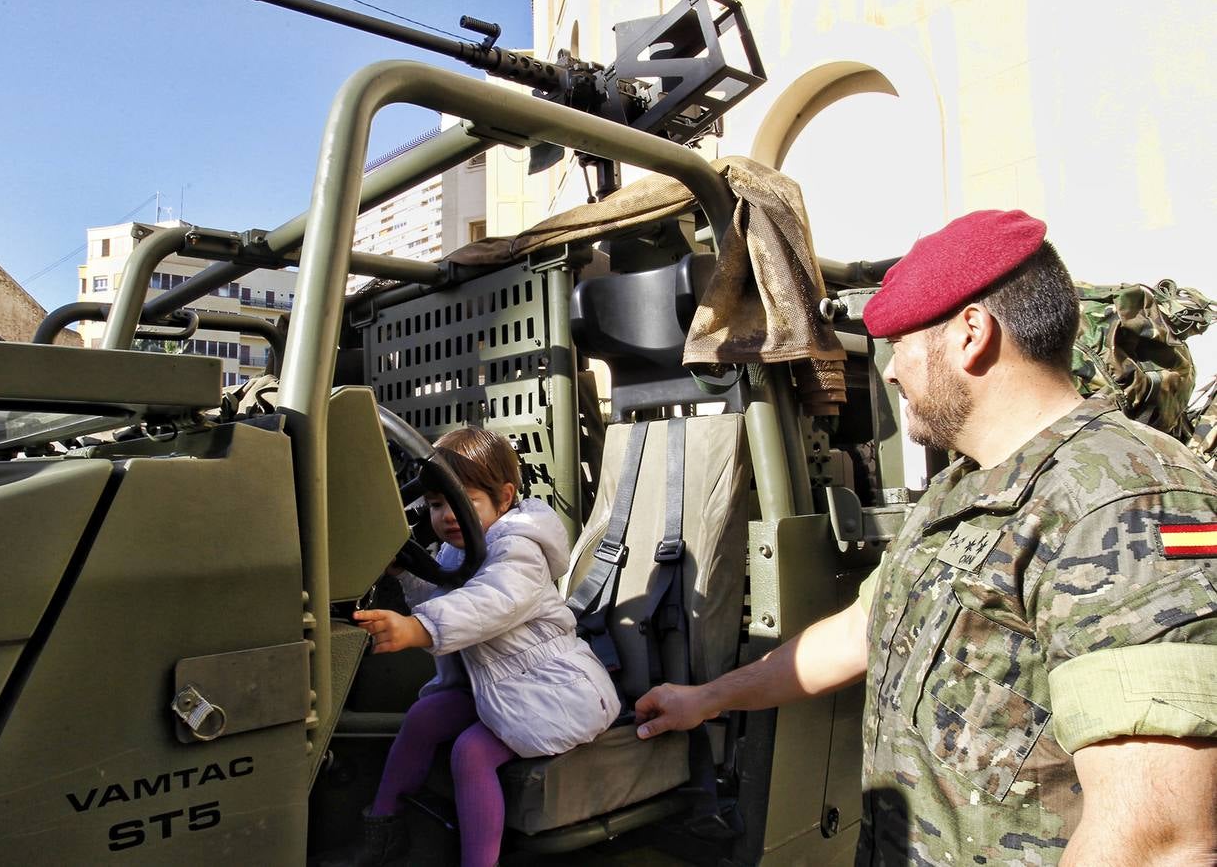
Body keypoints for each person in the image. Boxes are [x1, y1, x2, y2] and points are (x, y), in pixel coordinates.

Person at [634, 210, 1217, 865]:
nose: (888, 372)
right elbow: (862, 629)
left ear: (970, 334)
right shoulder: (962, 489)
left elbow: (1154, 840)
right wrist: (707, 699)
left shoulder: (1121, 499)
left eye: (902, 345)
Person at [351, 427, 621, 867]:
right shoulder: (458, 550)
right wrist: (406, 574)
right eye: (438, 505)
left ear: (504, 496)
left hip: (555, 692)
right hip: (498, 687)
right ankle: (384, 828)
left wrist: (418, 629)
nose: (447, 516)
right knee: (422, 717)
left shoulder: (519, 550)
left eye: (463, 502)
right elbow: (446, 598)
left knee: (471, 752)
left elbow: (489, 603)